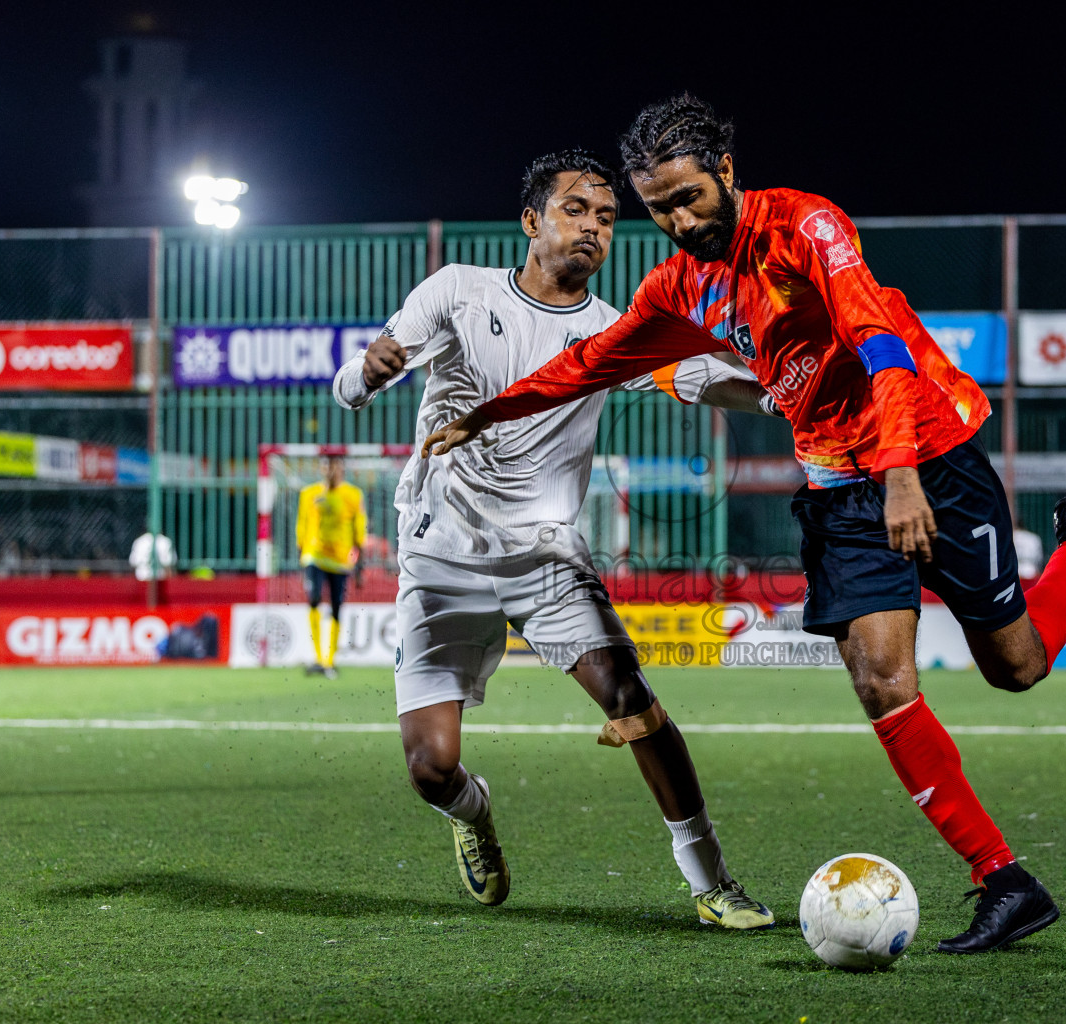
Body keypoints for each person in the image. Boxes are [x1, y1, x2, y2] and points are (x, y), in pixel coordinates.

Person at [425, 96, 1066, 953]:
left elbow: (882, 345)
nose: (676, 219)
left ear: (727, 173)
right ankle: (1004, 880)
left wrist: (898, 476)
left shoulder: (805, 228)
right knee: (883, 680)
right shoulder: (677, 284)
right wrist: (490, 413)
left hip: (928, 454)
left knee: (1018, 666)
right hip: (837, 489)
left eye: (689, 196)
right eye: (658, 206)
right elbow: (593, 360)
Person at [333, 149, 778, 928]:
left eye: (607, 217)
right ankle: (474, 818)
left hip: (547, 558)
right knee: (430, 769)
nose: (595, 228)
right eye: (576, 210)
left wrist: (788, 394)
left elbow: (709, 376)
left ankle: (712, 882)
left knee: (633, 699)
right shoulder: (458, 291)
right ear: (532, 221)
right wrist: (366, 373)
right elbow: (349, 387)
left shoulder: (613, 331)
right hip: (442, 557)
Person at [296, 455, 365, 679]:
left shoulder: (353, 495)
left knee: (336, 606)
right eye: (326, 465)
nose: (330, 470)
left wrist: (359, 561)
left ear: (342, 469)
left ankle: (329, 660)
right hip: (313, 556)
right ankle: (318, 658)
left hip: (340, 559)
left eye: (334, 465)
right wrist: (301, 550)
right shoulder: (309, 493)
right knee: (314, 599)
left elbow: (359, 526)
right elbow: (302, 523)